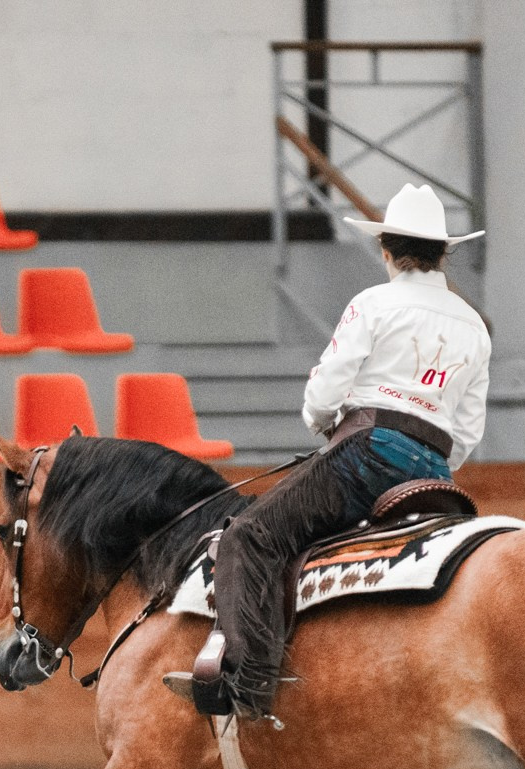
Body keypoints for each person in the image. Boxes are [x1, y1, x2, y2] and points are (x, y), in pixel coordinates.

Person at [165, 182, 492, 721]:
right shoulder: (474, 325)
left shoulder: (373, 304)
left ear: (386, 250)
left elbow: (325, 392)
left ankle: (250, 685)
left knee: (248, 536)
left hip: (367, 454)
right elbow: (467, 431)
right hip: (434, 471)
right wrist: (427, 459)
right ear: (442, 254)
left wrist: (323, 425)